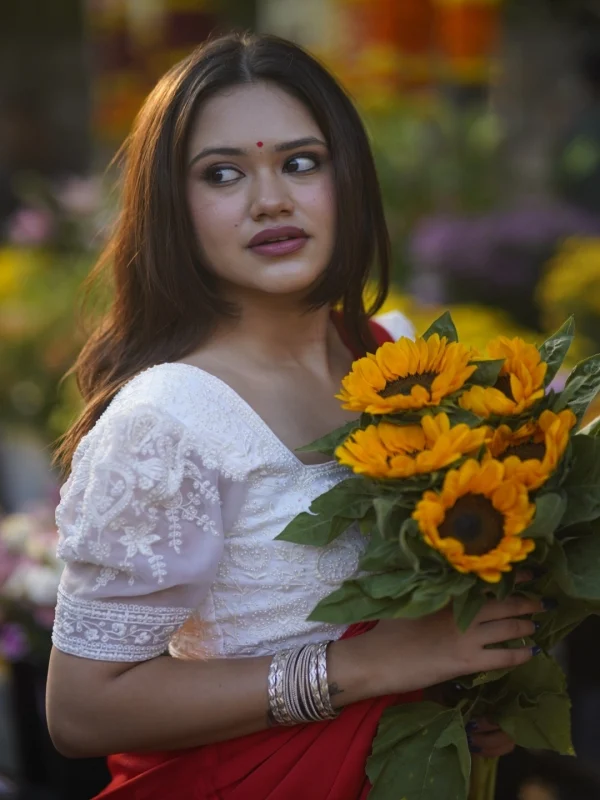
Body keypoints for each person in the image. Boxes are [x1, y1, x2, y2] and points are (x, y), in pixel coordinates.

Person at [46, 33, 542, 799]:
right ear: (171, 210)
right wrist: (367, 668)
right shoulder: (168, 421)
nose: (270, 199)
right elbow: (82, 711)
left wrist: (469, 694)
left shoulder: (395, 359)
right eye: (222, 174)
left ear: (349, 177)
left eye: (301, 162)